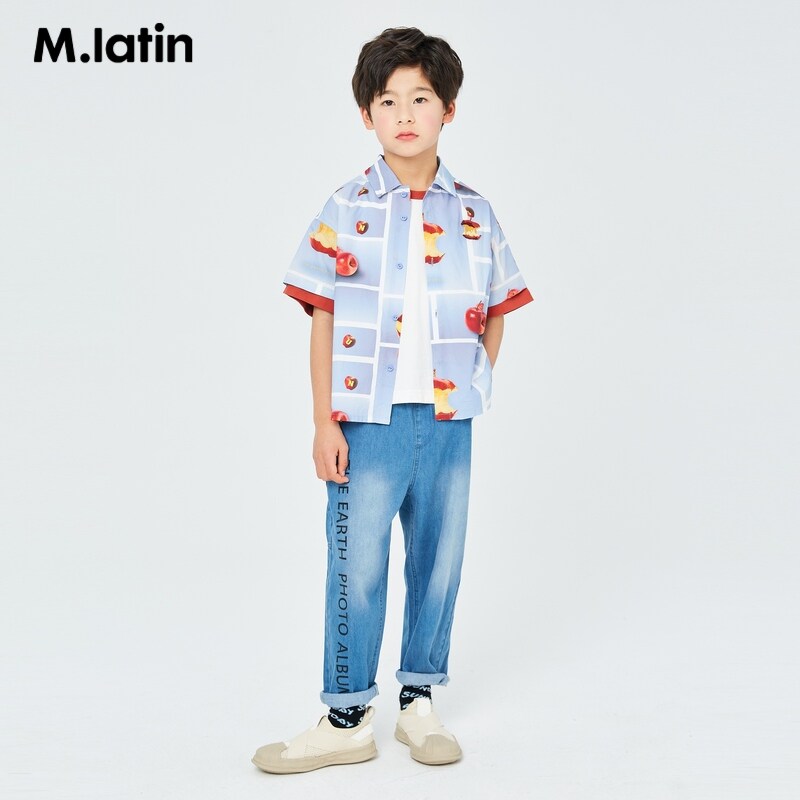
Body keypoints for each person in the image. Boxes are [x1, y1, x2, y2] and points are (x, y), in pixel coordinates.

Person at [252, 26, 533, 774]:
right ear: (366, 115)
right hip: (365, 422)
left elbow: (498, 307)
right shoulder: (345, 207)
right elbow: (321, 317)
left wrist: (474, 383)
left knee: (439, 563)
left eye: (421, 98)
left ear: (448, 109)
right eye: (388, 101)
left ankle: (419, 702)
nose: (405, 114)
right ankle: (346, 715)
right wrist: (323, 420)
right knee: (356, 567)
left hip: (446, 422)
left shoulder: (475, 213)